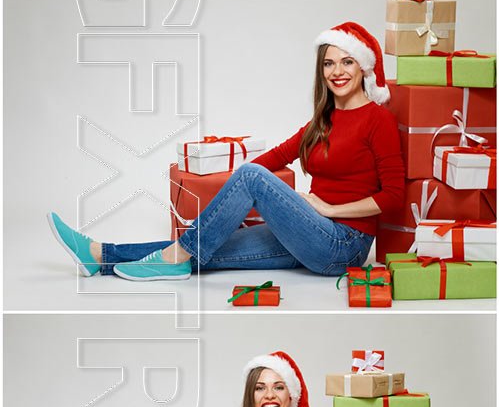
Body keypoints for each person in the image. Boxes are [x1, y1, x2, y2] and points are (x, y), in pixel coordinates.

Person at [47, 21, 405, 282]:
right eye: (329, 63)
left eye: (347, 62)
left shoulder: (377, 120)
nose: (337, 71)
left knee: (243, 187)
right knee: (209, 248)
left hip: (342, 246)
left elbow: (393, 196)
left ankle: (176, 255)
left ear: (364, 68)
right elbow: (274, 158)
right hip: (306, 233)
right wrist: (222, 180)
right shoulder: (324, 119)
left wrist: (329, 208)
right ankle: (99, 255)